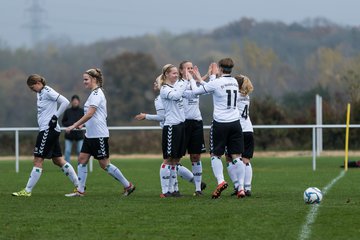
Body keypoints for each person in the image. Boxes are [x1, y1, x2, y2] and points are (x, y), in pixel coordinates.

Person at [65, 68, 135, 197]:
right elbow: (93, 115)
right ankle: (80, 191)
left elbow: (91, 113)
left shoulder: (97, 94)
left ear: (94, 79)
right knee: (82, 159)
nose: (84, 82)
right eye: (83, 79)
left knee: (104, 164)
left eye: (86, 79)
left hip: (99, 135)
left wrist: (74, 125)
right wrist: (82, 124)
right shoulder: (93, 94)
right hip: (90, 135)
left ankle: (128, 186)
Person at [12, 74, 79, 197]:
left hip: (48, 130)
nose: (32, 90)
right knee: (58, 160)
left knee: (38, 159)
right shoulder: (40, 93)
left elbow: (65, 102)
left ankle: (27, 190)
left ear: (38, 83)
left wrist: (55, 117)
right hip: (49, 130)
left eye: (32, 87)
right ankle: (79, 186)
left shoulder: (48, 91)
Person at [190, 58, 245, 199]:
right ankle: (241, 188)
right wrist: (210, 76)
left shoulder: (216, 82)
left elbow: (197, 91)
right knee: (236, 156)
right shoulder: (234, 81)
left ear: (220, 68)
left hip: (221, 123)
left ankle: (221, 181)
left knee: (215, 155)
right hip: (235, 123)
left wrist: (192, 78)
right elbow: (213, 88)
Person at [158, 64, 188, 198]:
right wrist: (185, 82)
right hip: (171, 127)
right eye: (174, 73)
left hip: (181, 126)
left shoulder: (177, 87)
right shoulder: (164, 89)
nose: (176, 75)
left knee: (176, 159)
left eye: (177, 73)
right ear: (166, 75)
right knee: (168, 159)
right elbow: (176, 96)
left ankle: (174, 189)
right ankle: (165, 191)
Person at [178, 61, 207, 196]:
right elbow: (191, 94)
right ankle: (172, 189)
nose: (190, 70)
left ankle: (198, 189)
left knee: (195, 156)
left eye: (191, 68)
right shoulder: (178, 85)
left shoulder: (195, 83)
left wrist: (203, 78)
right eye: (187, 68)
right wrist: (194, 81)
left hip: (196, 123)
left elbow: (206, 91)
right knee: (175, 158)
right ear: (181, 71)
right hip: (182, 123)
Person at [227, 75, 254, 197]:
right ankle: (247, 187)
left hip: (237, 130)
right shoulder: (246, 96)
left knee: (230, 158)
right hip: (248, 129)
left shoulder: (235, 95)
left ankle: (238, 186)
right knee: (246, 160)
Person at [61, 95, 84, 163]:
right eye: (74, 101)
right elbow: (63, 122)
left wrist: (81, 125)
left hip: (79, 135)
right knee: (67, 151)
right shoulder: (67, 111)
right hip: (69, 135)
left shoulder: (82, 111)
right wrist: (71, 124)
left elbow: (86, 121)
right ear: (71, 102)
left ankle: (80, 165)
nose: (75, 102)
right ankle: (67, 166)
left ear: (79, 102)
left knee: (80, 151)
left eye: (76, 101)